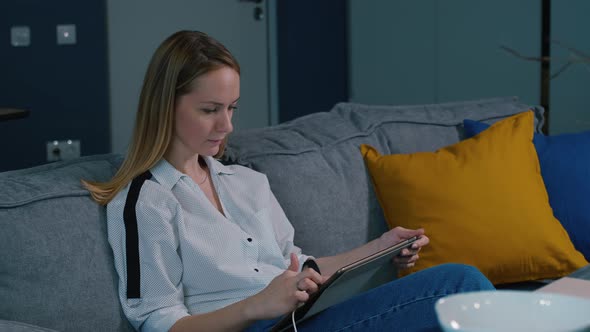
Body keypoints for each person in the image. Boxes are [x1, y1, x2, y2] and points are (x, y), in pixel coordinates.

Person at [83, 30, 494, 332]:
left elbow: (300, 268)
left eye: (232, 108)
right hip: (257, 326)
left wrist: (383, 248)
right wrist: (257, 306)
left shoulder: (246, 182)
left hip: (301, 316)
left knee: (459, 294)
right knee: (460, 282)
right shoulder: (145, 202)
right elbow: (158, 322)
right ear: (166, 106)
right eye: (210, 109)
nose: (226, 125)